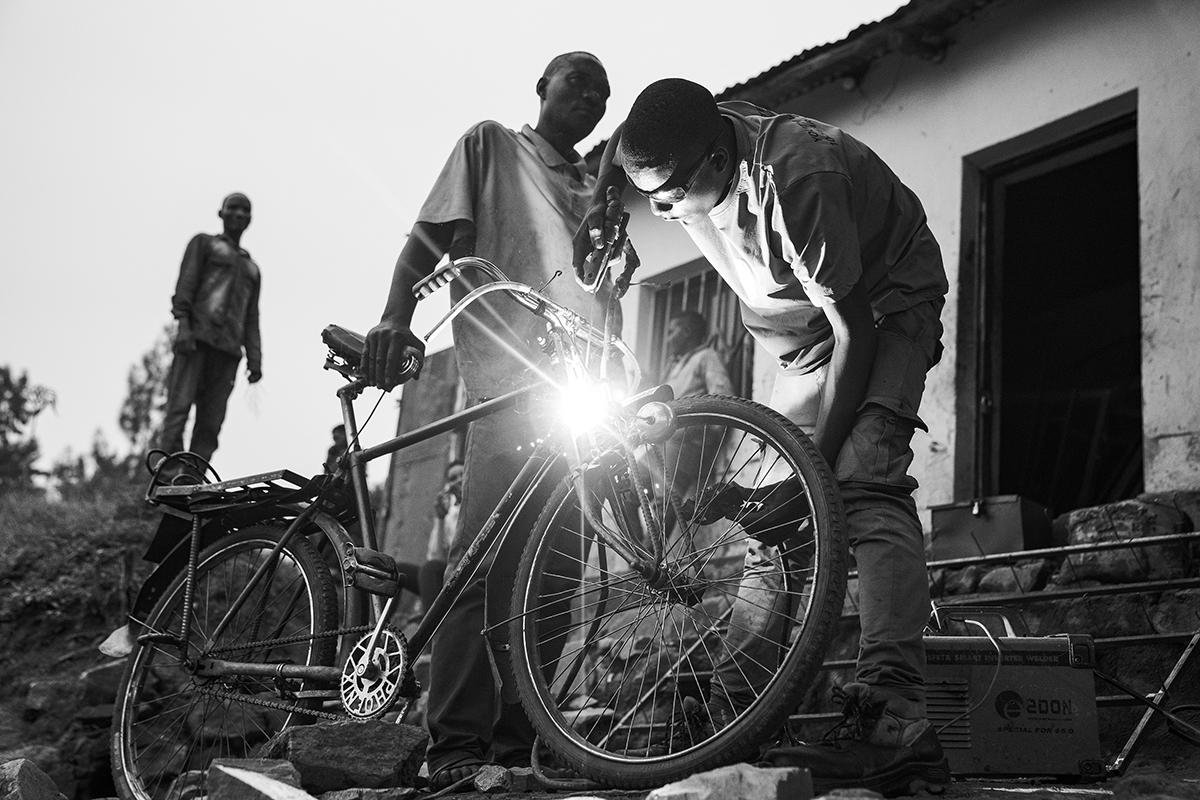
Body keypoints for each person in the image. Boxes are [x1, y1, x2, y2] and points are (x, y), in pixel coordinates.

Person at [573, 78, 950, 797]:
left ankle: (894, 716)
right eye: (642, 192)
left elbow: (854, 329)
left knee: (860, 482)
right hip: (797, 332)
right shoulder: (676, 151)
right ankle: (742, 709)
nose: (659, 210)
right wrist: (601, 206)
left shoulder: (798, 179)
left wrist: (814, 464)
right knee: (766, 520)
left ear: (717, 161)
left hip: (880, 306)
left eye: (668, 195)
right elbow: (627, 148)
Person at [362, 52, 630, 791]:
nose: (593, 96)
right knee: (479, 566)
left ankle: (521, 739)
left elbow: (607, 297)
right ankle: (455, 741)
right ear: (540, 86)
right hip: (509, 386)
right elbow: (428, 235)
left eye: (604, 91)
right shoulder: (492, 146)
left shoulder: (596, 190)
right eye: (578, 80)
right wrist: (395, 315)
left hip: (582, 402)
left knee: (554, 573)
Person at [159, 192, 263, 472]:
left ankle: (191, 482)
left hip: (228, 352)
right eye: (234, 208)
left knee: (210, 423)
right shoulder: (204, 244)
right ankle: (164, 477)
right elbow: (187, 284)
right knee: (178, 411)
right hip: (196, 340)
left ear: (250, 219)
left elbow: (251, 317)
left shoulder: (252, 268)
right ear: (221, 213)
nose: (239, 214)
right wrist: (182, 324)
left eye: (245, 210)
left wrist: (255, 358)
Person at [421, 459, 464, 612]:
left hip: (467, 571)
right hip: (448, 573)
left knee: (429, 570)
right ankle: (376, 627)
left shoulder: (481, 501)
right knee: (398, 571)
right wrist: (440, 518)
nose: (459, 480)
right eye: (453, 478)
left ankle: (432, 633)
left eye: (462, 474)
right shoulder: (449, 515)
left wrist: (465, 503)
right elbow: (436, 557)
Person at [662, 309, 735, 399]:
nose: (667, 340)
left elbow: (722, 398)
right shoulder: (677, 363)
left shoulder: (707, 356)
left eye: (671, 332)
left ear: (686, 332)